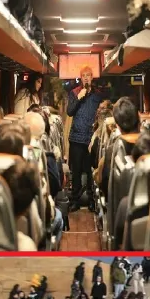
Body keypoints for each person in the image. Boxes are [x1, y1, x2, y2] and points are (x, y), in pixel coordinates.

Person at [66, 66, 103, 211]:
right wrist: (79, 98)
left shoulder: (97, 95)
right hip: (76, 136)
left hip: (90, 138)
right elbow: (69, 112)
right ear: (81, 78)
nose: (86, 78)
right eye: (83, 75)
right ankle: (75, 199)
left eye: (88, 75)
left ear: (92, 77)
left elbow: (100, 114)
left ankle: (92, 199)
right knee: (75, 170)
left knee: (90, 170)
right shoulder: (74, 93)